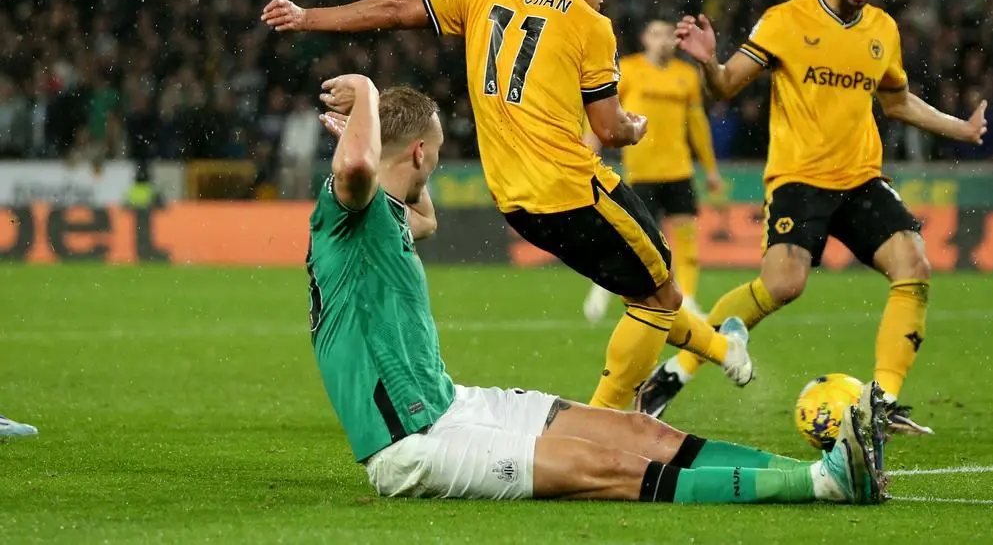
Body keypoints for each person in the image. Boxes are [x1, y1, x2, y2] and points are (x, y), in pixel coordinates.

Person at [307, 74, 889, 504]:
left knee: (635, 430)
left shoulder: (384, 214)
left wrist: (375, 134)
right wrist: (363, 91)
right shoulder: (345, 209)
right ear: (420, 152)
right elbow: (358, 169)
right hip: (412, 444)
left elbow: (422, 216)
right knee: (605, 467)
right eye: (432, 152)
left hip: (456, 403)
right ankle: (820, 484)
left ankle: (829, 469)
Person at [263, 0, 751, 411]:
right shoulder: (590, 24)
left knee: (644, 291)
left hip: (517, 204)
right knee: (660, 298)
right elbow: (608, 129)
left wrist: (307, 17)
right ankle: (603, 427)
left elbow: (393, 8)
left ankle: (721, 349)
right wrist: (635, 128)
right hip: (574, 189)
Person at [638, 0, 987, 434]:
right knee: (783, 284)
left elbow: (895, 101)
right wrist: (710, 63)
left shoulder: (882, 30)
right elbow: (728, 85)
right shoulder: (786, 21)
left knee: (913, 265)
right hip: (799, 178)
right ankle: (670, 376)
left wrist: (958, 127)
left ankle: (882, 401)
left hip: (862, 177)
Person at [583, 18, 722, 324]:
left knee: (686, 237)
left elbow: (698, 126)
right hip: (641, 172)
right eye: (656, 33)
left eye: (669, 34)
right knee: (634, 240)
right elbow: (601, 111)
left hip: (678, 171)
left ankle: (688, 300)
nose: (663, 40)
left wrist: (711, 169)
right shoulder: (629, 70)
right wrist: (589, 146)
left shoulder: (686, 75)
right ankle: (602, 287)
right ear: (645, 38)